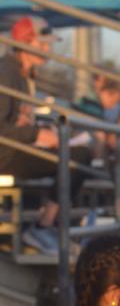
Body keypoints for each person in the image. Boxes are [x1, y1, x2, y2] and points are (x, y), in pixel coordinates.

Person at [0, 16, 89, 254]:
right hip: (6, 154)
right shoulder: (6, 72)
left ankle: (51, 225)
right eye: (43, 44)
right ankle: (42, 227)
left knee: (80, 157)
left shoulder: (24, 73)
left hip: (17, 148)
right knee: (77, 158)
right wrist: (36, 133)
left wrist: (41, 133)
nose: (49, 49)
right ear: (25, 42)